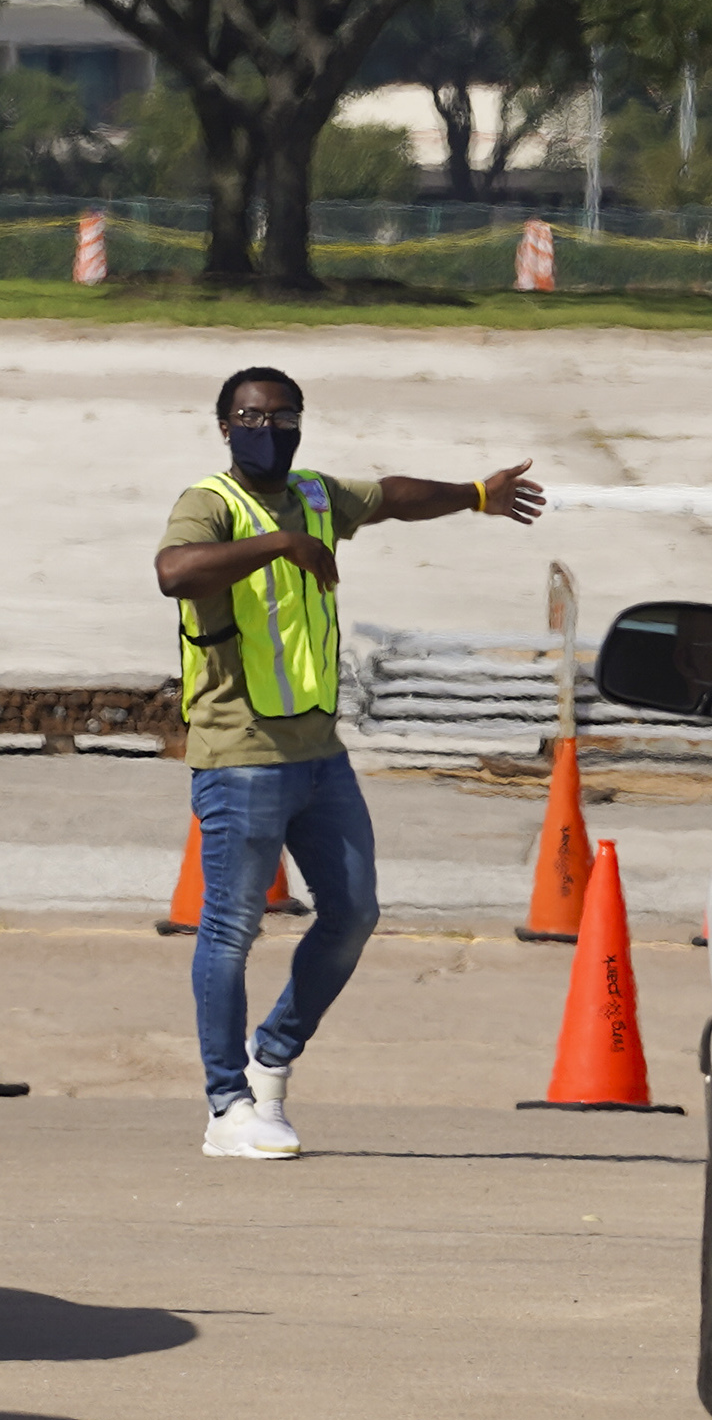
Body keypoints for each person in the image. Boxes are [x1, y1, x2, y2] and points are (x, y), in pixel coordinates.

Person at [155, 366, 545, 1159]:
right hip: (240, 753)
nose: (269, 429)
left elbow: (393, 495)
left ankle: (272, 1053)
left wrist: (475, 493)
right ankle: (226, 1104)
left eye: (284, 415)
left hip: (317, 754)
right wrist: (279, 545)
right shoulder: (211, 502)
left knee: (355, 911)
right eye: (252, 416)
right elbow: (173, 571)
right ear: (224, 425)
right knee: (229, 929)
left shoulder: (319, 495)